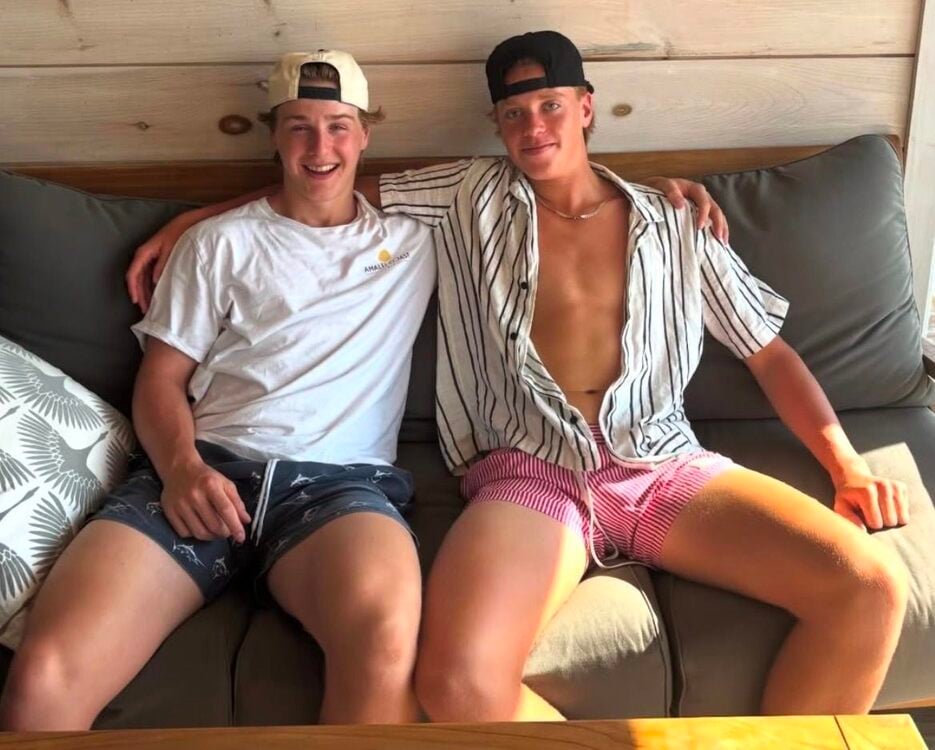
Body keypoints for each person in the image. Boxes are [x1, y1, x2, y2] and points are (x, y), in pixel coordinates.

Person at [125, 31, 910, 723]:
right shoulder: (466, 194)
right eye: (513, 113)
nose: (532, 127)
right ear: (497, 125)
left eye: (549, 106)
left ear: (585, 108)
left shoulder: (676, 220)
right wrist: (194, 219)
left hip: (661, 465)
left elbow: (768, 353)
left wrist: (844, 464)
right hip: (530, 472)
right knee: (456, 683)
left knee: (867, 590)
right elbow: (325, 186)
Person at [0, 50, 435, 729]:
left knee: (382, 648)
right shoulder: (218, 242)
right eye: (298, 127)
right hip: (206, 470)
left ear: (365, 135)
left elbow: (512, 184)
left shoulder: (416, 236)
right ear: (273, 136)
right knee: (43, 681)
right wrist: (181, 470)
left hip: (339, 489)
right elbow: (160, 378)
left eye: (338, 126)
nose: (319, 147)